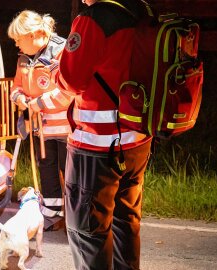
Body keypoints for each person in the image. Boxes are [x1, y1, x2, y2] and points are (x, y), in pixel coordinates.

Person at [55, 0, 152, 269]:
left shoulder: (94, 18)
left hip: (96, 146)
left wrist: (56, 72)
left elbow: (71, 79)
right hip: (137, 140)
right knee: (126, 222)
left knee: (87, 231)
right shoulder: (141, 10)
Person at [7, 10, 72, 231]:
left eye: (18, 40)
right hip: (41, 131)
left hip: (67, 129)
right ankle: (52, 216)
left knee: (70, 174)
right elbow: (15, 88)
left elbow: (68, 91)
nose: (17, 45)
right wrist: (21, 99)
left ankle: (74, 220)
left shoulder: (63, 51)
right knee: (47, 172)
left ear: (34, 34)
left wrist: (39, 103)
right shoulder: (24, 59)